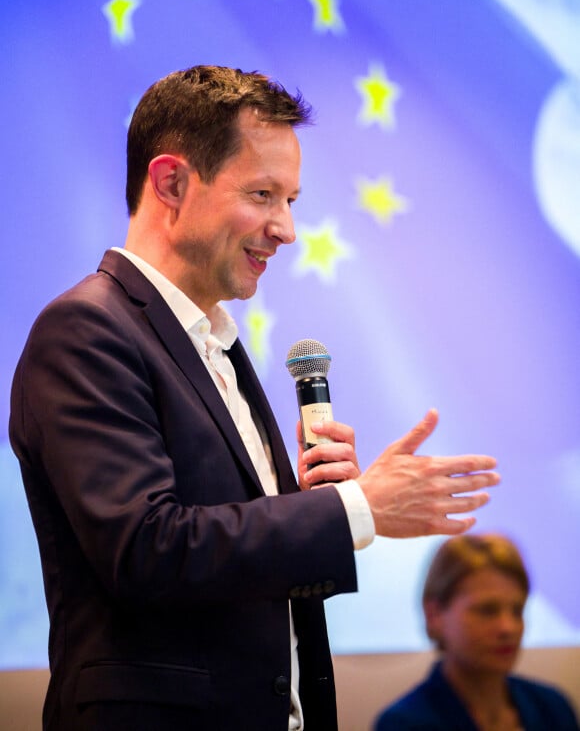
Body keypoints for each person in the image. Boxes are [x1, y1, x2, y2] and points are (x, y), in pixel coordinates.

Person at [9, 65, 500, 731]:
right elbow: (149, 551)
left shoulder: (216, 344)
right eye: (264, 194)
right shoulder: (86, 329)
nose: (287, 229)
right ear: (171, 183)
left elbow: (234, 576)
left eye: (291, 200)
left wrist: (310, 505)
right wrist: (350, 509)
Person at [374, 533, 580, 731]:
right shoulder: (404, 724)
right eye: (487, 610)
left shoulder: (553, 708)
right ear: (434, 615)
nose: (508, 628)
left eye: (517, 610)